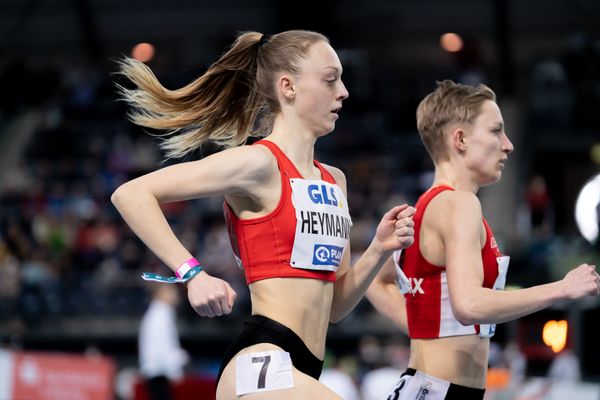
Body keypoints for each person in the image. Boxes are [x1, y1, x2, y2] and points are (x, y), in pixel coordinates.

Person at [111, 30, 415, 399]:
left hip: (304, 367)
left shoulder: (336, 181)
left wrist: (379, 248)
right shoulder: (258, 163)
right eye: (330, 79)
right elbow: (131, 194)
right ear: (288, 87)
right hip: (262, 358)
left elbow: (335, 307)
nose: (344, 91)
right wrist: (192, 274)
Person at [366, 79, 600, 400]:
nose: (508, 145)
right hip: (440, 391)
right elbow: (469, 305)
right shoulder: (460, 204)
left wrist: (425, 328)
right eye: (495, 131)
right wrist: (561, 288)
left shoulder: (426, 206)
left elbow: (376, 282)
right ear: (460, 139)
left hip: (430, 387)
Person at [139, 283, 189, 400]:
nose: (176, 295)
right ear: (160, 294)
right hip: (159, 373)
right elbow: (164, 345)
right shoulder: (161, 314)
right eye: (171, 292)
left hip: (157, 372)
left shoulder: (159, 313)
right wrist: (175, 371)